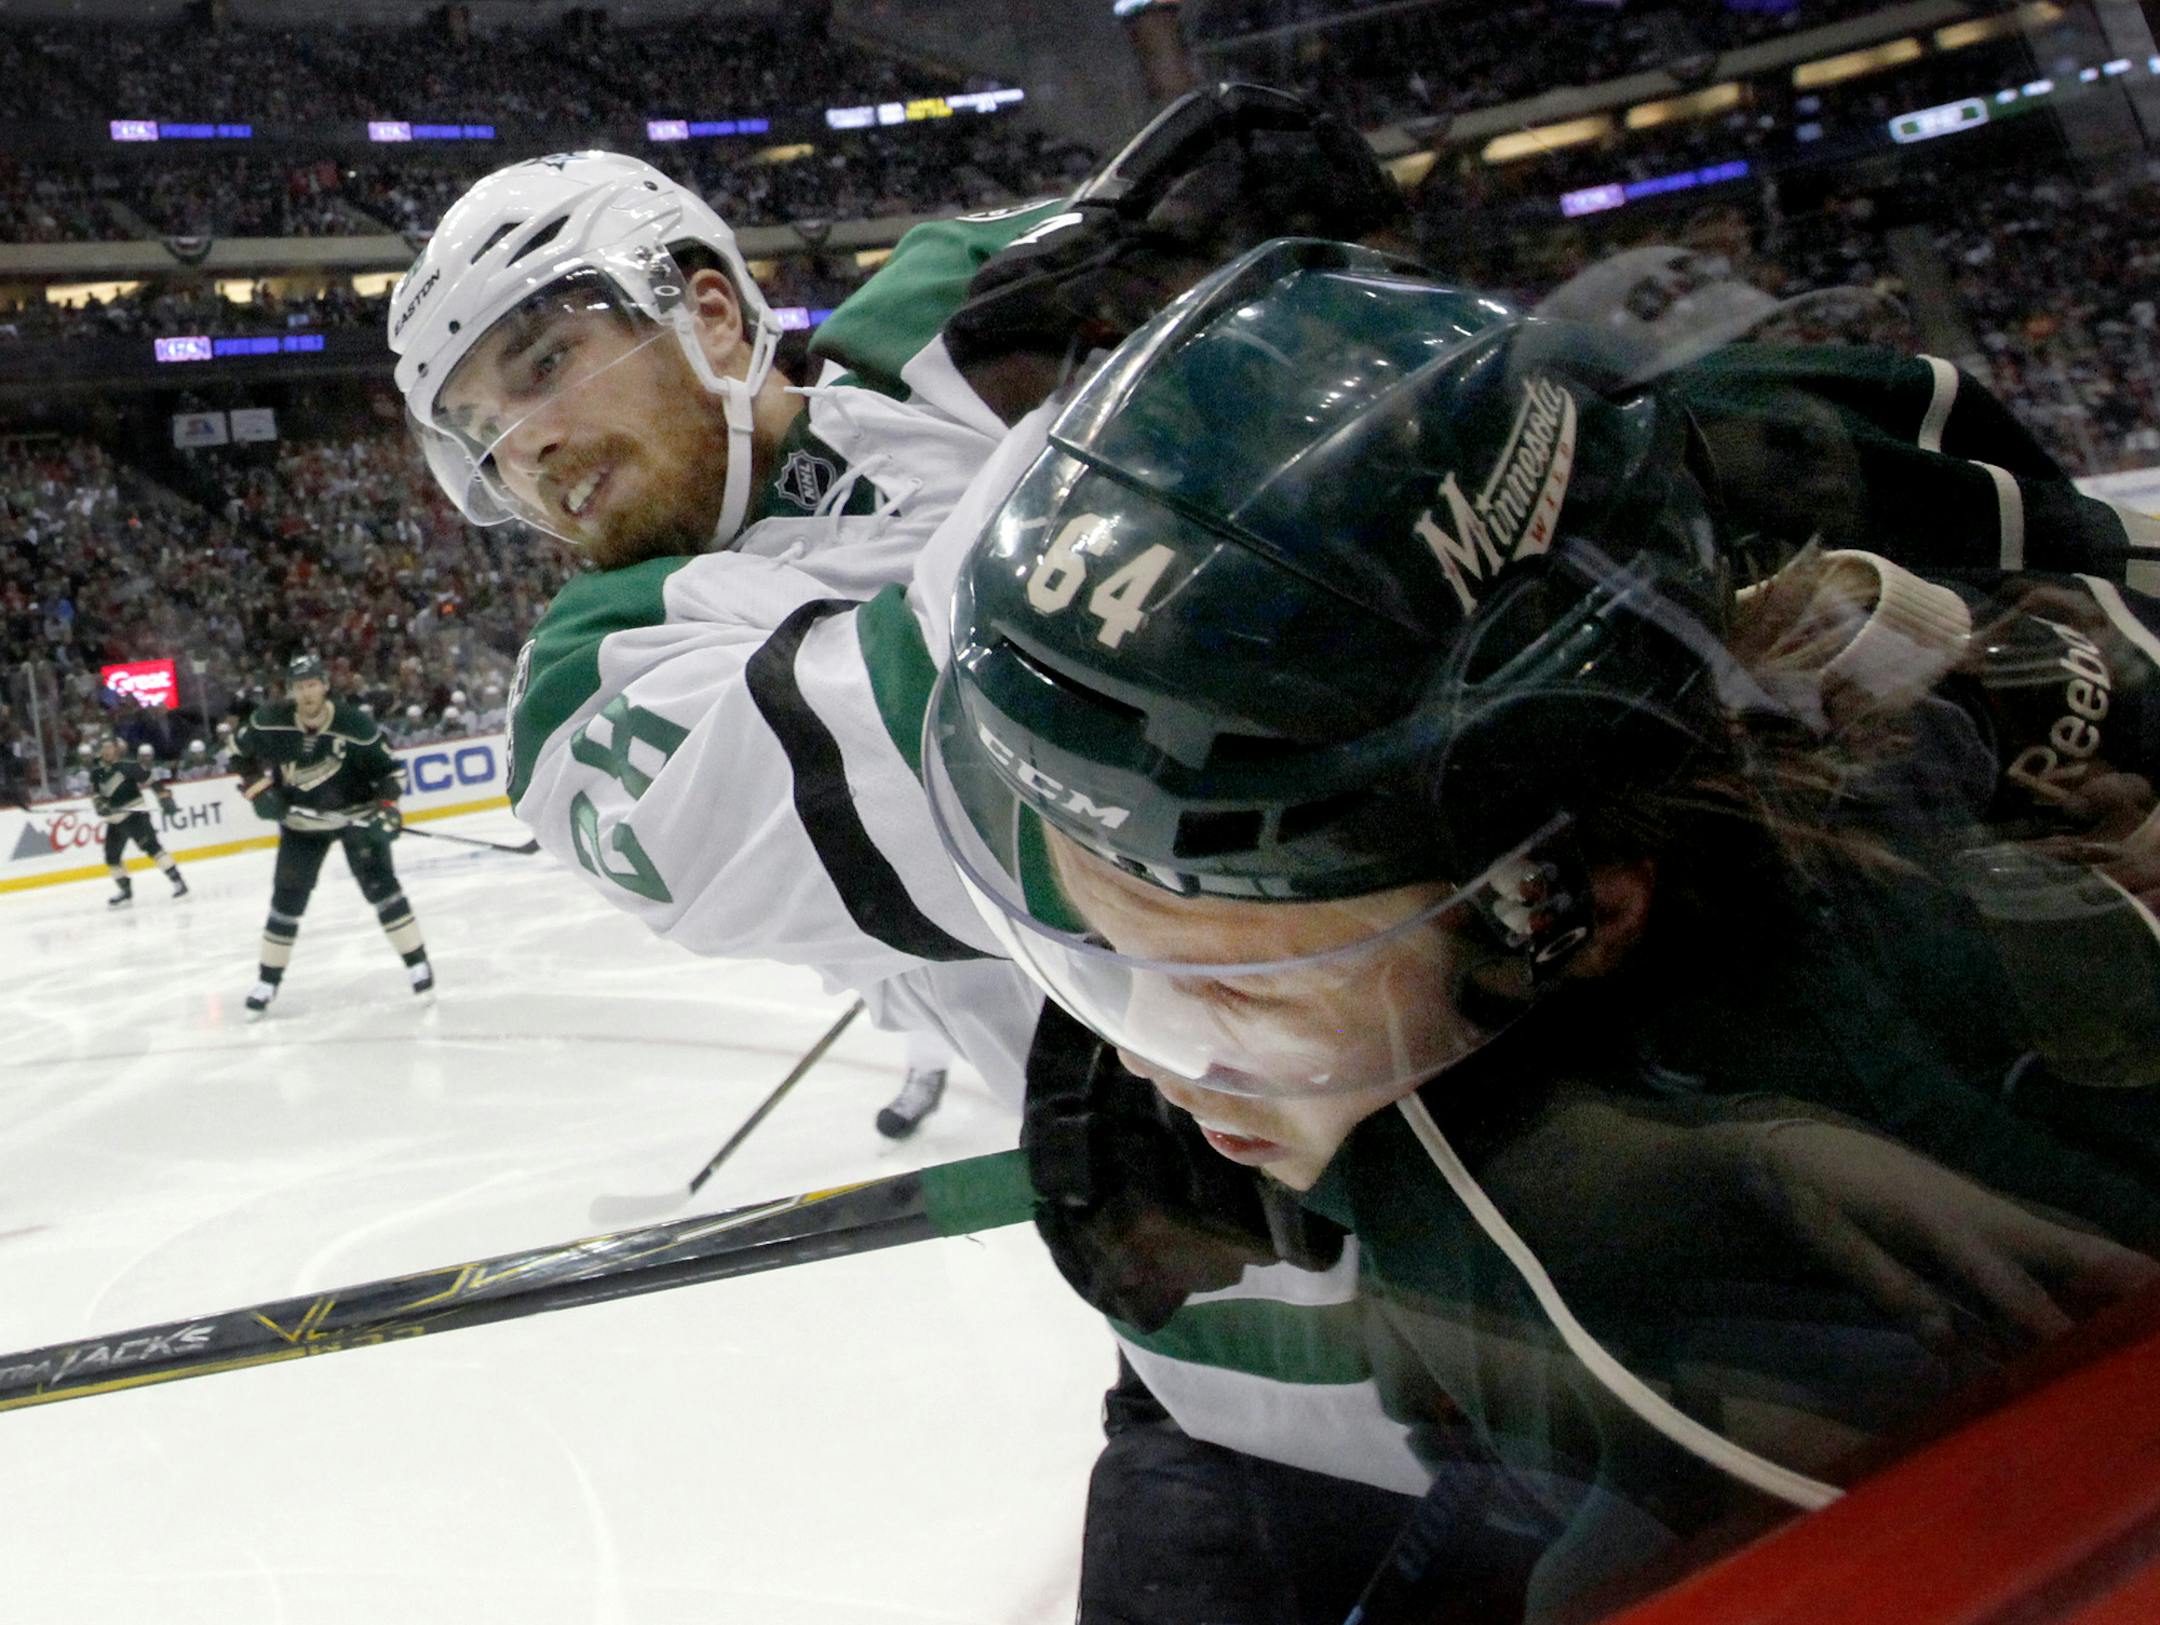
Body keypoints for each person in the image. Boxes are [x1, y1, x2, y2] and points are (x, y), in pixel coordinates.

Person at [922, 238, 2160, 1621]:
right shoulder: (1761, 472)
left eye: (1239, 997)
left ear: (1574, 913)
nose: (1157, 1068)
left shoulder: (1672, 1288)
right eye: (1104, 955)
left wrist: (1466, 1195)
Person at [392, 122, 1433, 1624]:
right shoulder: (593, 699)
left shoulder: (941, 318)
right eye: (484, 436)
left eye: (545, 361)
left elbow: (1350, 318)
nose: (527, 449)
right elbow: (1018, 772)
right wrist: (1164, 418)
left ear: (711, 309)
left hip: (1583, 1082)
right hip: (1278, 1363)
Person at [230, 653, 434, 1017]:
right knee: (287, 901)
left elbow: (390, 773)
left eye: (313, 684)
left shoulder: (354, 725)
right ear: (292, 691)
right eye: (300, 687)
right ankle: (267, 980)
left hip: (356, 820)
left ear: (325, 685)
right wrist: (258, 791)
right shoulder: (270, 722)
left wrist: (387, 809)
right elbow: (237, 753)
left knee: (383, 891)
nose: (307, 693)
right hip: (302, 825)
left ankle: (417, 964)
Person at [88, 734, 186, 908]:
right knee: (111, 856)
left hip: (135, 816)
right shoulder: (97, 773)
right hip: (115, 821)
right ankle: (125, 891)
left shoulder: (128, 767)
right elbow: (96, 794)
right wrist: (99, 805)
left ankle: (178, 881)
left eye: (109, 747)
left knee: (152, 848)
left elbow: (152, 781)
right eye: (103, 748)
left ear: (116, 749)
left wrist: (164, 798)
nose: (106, 751)